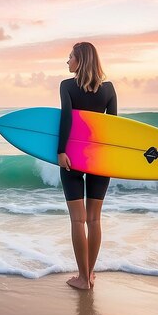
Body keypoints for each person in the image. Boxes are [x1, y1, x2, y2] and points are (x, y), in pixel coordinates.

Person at [58, 42, 117, 290]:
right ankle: (89, 275)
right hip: (100, 159)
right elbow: (114, 128)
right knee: (94, 220)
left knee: (77, 221)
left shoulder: (67, 86)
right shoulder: (109, 89)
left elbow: (67, 119)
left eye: (70, 57)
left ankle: (82, 278)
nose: (67, 61)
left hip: (72, 158)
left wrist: (61, 151)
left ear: (80, 61)